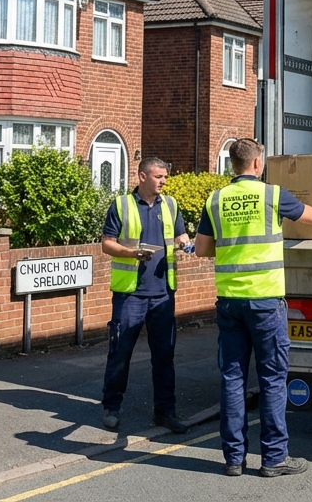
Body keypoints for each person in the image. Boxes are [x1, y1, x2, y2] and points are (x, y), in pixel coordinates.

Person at [194, 138, 312, 478]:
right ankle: (273, 458)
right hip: (266, 302)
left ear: (233, 164)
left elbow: (201, 249)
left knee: (233, 378)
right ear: (257, 163)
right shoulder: (272, 195)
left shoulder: (216, 199)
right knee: (272, 378)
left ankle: (233, 459)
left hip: (230, 301)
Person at [99, 157, 193, 433]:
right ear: (142, 176)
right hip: (131, 294)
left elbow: (180, 236)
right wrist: (132, 253)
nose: (163, 181)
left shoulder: (171, 205)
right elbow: (106, 244)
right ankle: (111, 408)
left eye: (165, 177)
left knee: (164, 356)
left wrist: (185, 243)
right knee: (120, 353)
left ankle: (165, 412)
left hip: (163, 293)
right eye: (158, 176)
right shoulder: (122, 205)